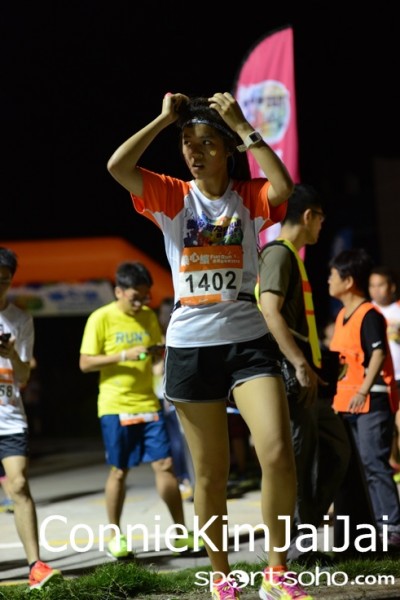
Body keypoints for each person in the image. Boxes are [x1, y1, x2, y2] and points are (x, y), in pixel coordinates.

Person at [107, 91, 313, 600]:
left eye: (205, 143)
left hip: (248, 341)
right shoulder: (171, 194)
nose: (194, 152)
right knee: (210, 474)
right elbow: (117, 166)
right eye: (187, 143)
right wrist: (162, 120)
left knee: (277, 453)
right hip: (191, 346)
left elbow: (285, 187)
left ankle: (276, 572)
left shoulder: (248, 195)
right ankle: (221, 575)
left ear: (227, 151)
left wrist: (243, 127)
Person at [79, 261, 200, 559]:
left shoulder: (148, 316)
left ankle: (180, 533)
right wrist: (124, 355)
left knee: (165, 465)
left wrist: (158, 356)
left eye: (145, 297)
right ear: (118, 291)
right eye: (135, 297)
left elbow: (155, 359)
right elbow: (85, 362)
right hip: (115, 405)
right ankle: (115, 536)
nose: (140, 303)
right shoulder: (100, 318)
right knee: (119, 471)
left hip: (148, 402)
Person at [257, 183, 350, 565]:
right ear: (309, 215)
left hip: (306, 374)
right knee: (299, 459)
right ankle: (298, 547)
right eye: (321, 218)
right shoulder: (279, 254)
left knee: (334, 449)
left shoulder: (289, 256)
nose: (322, 226)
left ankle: (304, 533)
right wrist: (298, 362)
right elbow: (269, 311)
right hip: (292, 375)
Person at [328, 248, 400, 550]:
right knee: (364, 468)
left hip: (371, 401)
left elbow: (378, 353)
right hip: (349, 405)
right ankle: (375, 528)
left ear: (348, 281)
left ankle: (392, 528)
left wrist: (362, 390)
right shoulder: (342, 315)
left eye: (333, 275)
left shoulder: (368, 314)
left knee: (375, 464)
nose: (328, 281)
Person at [0, 247, 62, 589]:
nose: (0, 284)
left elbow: (23, 376)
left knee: (19, 484)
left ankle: (35, 566)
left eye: (5, 279)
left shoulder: (21, 320)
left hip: (10, 416)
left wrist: (11, 354)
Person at [154, 296, 194, 501]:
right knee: (173, 442)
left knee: (183, 441)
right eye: (162, 313)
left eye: (167, 312)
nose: (165, 316)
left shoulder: (180, 331)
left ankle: (188, 480)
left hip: (177, 394)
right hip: (159, 397)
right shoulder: (158, 337)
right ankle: (182, 480)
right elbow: (155, 369)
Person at [368, 266, 400, 479]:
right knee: (387, 428)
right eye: (372, 285)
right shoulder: (367, 312)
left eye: (381, 285)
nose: (376, 290)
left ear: (392, 287)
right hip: (378, 379)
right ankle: (394, 464)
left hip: (399, 376)